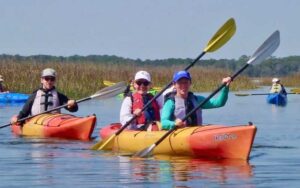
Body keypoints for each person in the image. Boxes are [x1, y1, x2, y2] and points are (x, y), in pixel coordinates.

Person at [161, 70, 232, 130]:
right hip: (179, 135)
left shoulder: (197, 99)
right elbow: (163, 122)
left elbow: (220, 102)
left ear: (190, 83)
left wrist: (225, 87)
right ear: (174, 84)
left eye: (186, 82)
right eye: (180, 82)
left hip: (197, 133)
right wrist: (174, 124)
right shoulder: (170, 102)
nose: (183, 85)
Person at [10, 68, 78, 124]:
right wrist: (17, 119)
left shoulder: (59, 96)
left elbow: (73, 109)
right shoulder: (34, 96)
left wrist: (72, 105)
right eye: (46, 79)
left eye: (52, 79)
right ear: (42, 80)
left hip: (54, 122)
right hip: (37, 123)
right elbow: (24, 113)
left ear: (54, 81)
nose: (49, 81)